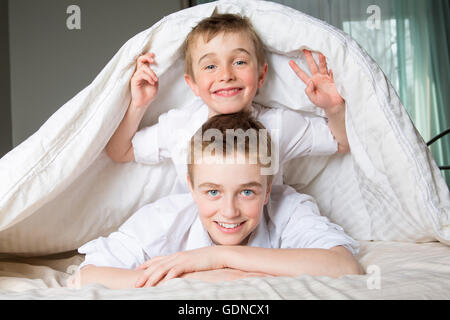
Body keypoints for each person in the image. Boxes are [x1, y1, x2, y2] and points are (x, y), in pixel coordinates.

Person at [70, 112, 362, 289]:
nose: (230, 211)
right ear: (192, 188)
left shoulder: (289, 207)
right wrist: (195, 277)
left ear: (267, 188)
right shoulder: (164, 219)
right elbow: (86, 277)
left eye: (247, 191)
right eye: (213, 192)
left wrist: (219, 257)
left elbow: (344, 266)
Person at [104, 13, 350, 194]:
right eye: (210, 66)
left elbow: (340, 141)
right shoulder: (180, 126)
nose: (226, 75)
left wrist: (334, 107)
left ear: (261, 75)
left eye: (240, 62)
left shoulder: (279, 125)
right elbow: (119, 151)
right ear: (192, 84)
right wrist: (139, 104)